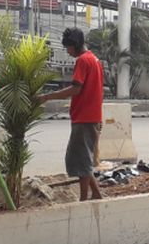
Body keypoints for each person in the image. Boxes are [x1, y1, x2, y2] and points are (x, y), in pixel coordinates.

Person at [37, 28, 104, 201]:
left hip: (84, 117)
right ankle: (95, 193)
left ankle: (83, 199)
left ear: (74, 45)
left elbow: (76, 88)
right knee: (84, 158)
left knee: (81, 161)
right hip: (92, 115)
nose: (67, 51)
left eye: (68, 47)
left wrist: (47, 96)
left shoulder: (83, 61)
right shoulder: (95, 59)